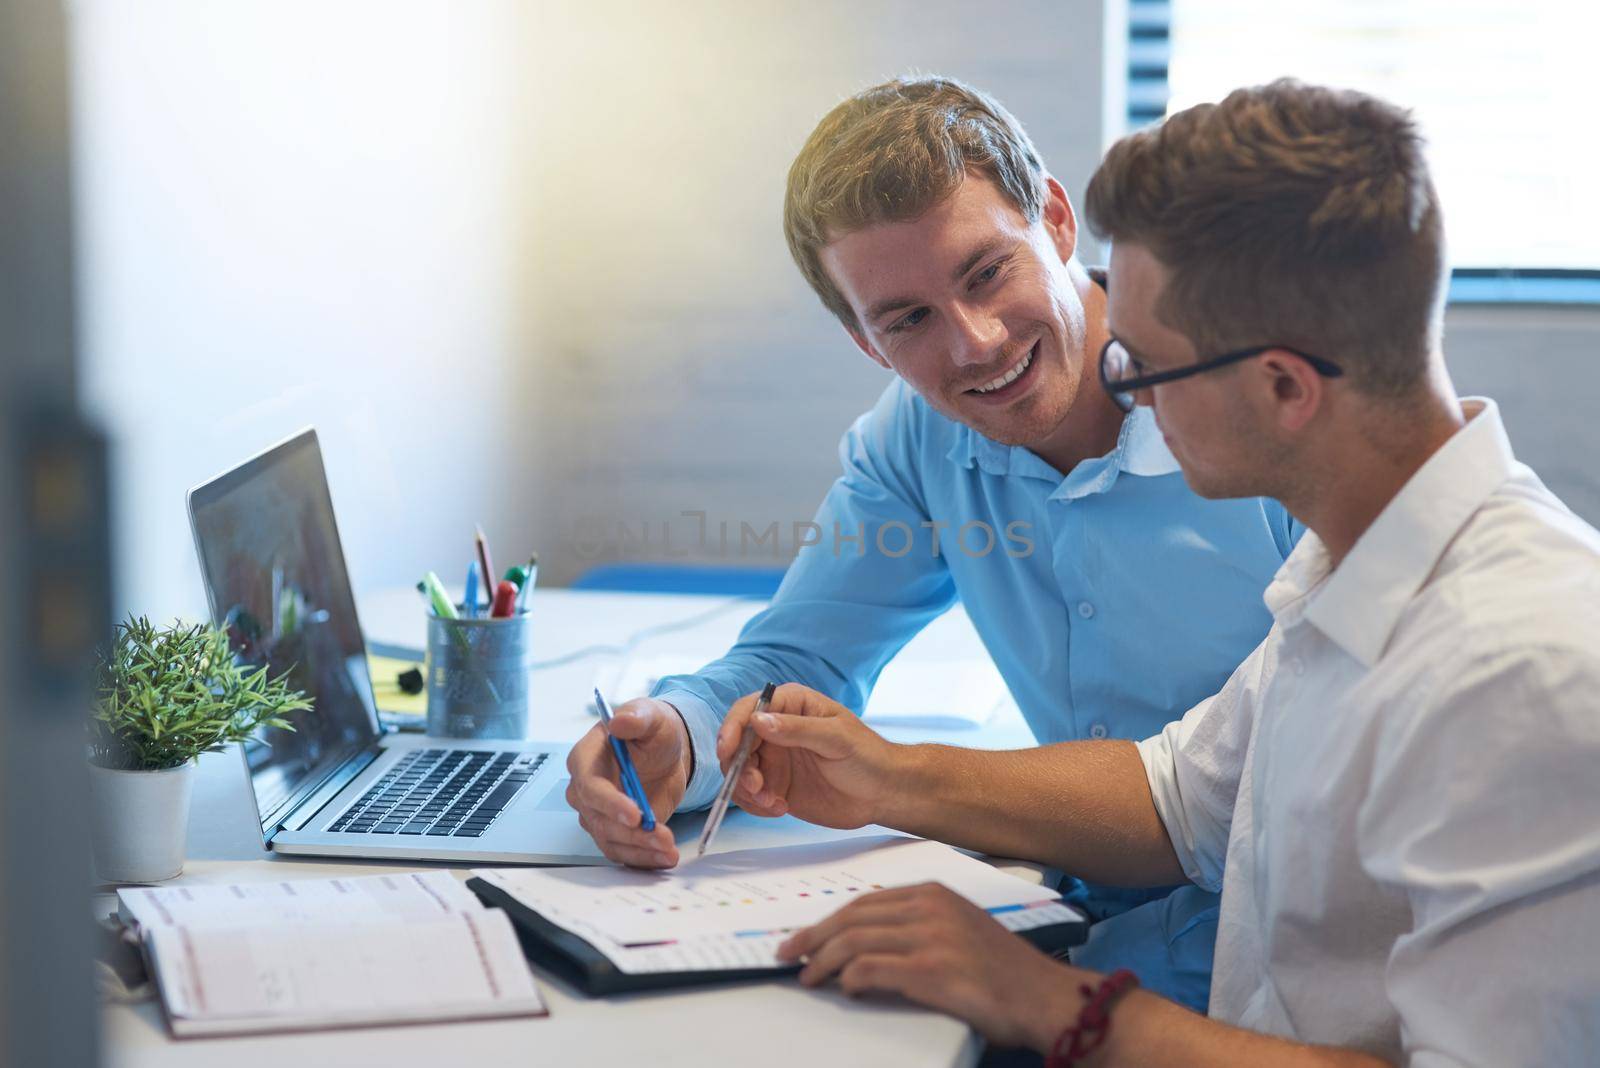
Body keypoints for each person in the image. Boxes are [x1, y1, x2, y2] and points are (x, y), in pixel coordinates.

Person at [716, 80, 1600, 1065]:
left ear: (1281, 387)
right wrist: (885, 776)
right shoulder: (1354, 566)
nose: (1119, 389)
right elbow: (1184, 798)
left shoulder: (1527, 673)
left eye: (1141, 363)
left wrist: (1059, 1006)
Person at [563, 75, 1302, 1009]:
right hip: (1075, 927)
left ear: (1059, 221)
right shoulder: (917, 438)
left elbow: (1268, 791)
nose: (974, 345)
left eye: (987, 272)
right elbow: (799, 655)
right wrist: (681, 732)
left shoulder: (1261, 413)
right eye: (907, 319)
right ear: (865, 342)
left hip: (1265, 965)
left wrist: (898, 784)